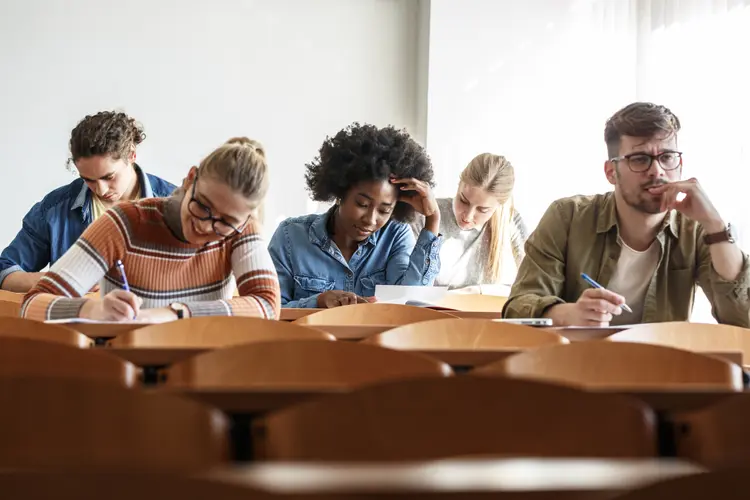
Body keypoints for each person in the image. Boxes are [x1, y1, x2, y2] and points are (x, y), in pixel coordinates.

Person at [503, 102, 750, 327]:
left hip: (659, 369)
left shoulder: (696, 230)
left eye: (667, 157)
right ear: (611, 172)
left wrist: (716, 226)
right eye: (640, 159)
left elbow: (742, 320)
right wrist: (568, 314)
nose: (657, 171)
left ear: (680, 164)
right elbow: (517, 307)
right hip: (577, 364)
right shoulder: (567, 217)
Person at [21, 137, 280, 322]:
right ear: (191, 178)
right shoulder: (125, 222)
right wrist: (92, 310)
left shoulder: (242, 230)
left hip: (202, 377)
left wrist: (177, 313)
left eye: (225, 222)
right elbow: (32, 304)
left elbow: (268, 306)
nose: (205, 225)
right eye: (202, 206)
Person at [268, 123, 442, 308]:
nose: (370, 219)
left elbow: (412, 304)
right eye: (362, 204)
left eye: (384, 210)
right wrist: (317, 302)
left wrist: (432, 219)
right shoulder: (290, 236)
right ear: (340, 193)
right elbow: (271, 311)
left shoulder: (395, 235)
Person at [0, 111, 176, 293]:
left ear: (131, 155)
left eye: (109, 177)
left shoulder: (175, 206)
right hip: (76, 319)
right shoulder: (55, 210)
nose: (101, 190)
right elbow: (5, 272)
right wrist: (58, 279)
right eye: (88, 179)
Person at [411, 153, 527, 293]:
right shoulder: (424, 215)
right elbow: (408, 286)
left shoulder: (510, 222)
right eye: (464, 201)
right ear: (459, 184)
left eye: (483, 210)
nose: (468, 216)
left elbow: (530, 286)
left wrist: (477, 291)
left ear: (499, 206)